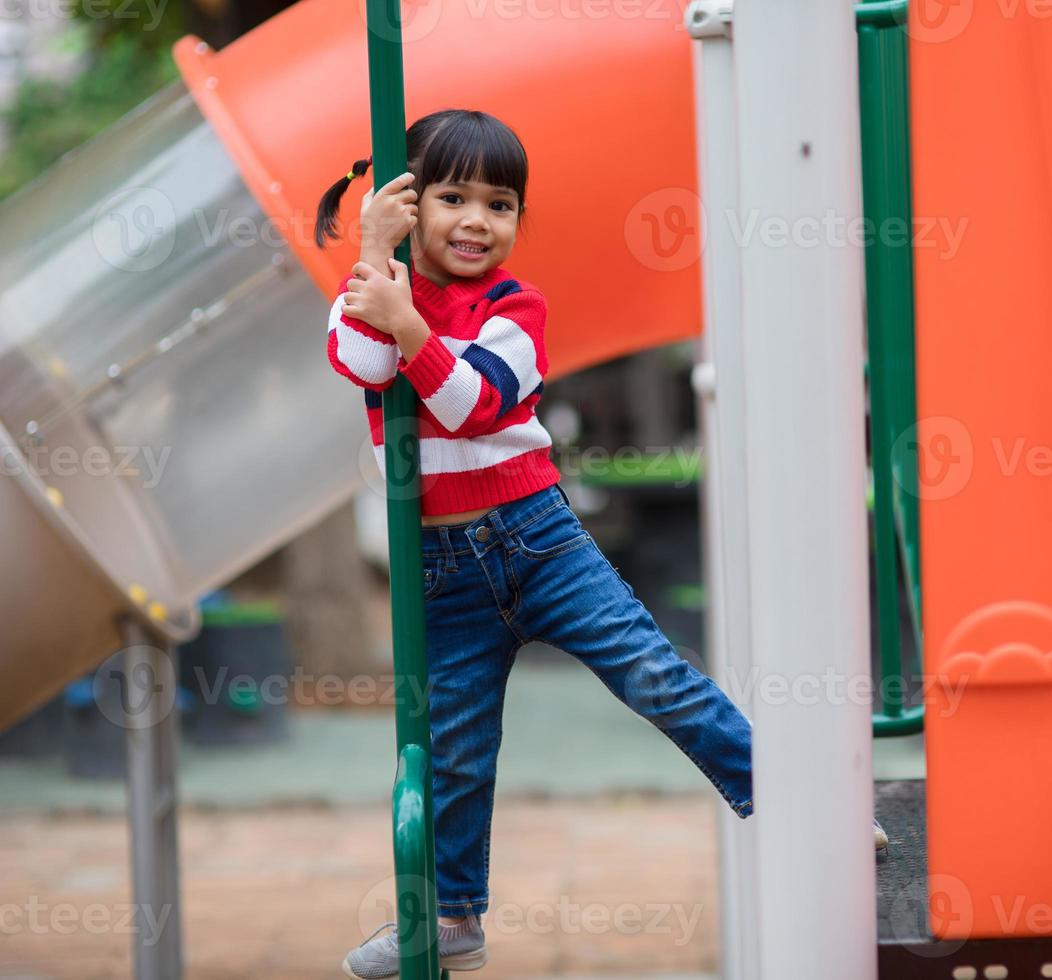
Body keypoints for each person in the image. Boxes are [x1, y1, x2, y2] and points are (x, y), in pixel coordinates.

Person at [316, 108, 886, 978]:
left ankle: (813, 812)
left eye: (500, 205)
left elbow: (476, 403)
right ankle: (456, 914)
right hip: (440, 568)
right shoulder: (372, 291)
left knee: (654, 675)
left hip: (536, 538)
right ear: (407, 204)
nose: (477, 221)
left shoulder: (515, 307)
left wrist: (413, 327)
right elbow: (360, 367)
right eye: (452, 198)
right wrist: (374, 263)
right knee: (459, 749)